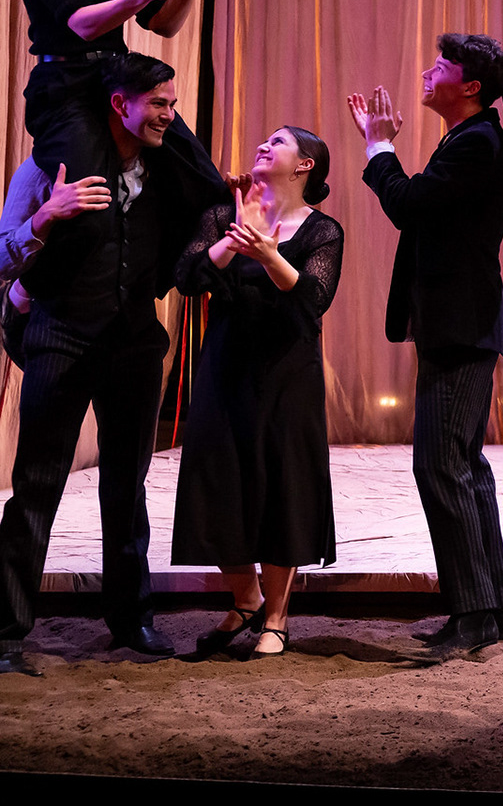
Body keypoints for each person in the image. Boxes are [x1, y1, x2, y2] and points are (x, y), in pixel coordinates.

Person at [0, 54, 212, 674]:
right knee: (36, 487)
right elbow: (4, 255)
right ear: (120, 104)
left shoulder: (167, 171)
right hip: (61, 336)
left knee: (126, 485)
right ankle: (7, 631)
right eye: (159, 104)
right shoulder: (46, 169)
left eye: (173, 104)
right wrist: (46, 215)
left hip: (134, 344)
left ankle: (131, 620)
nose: (170, 116)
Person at [349, 33, 503, 658]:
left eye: (442, 66)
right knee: (462, 466)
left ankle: (476, 613)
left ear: (471, 87)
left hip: (461, 324)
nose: (429, 72)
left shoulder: (477, 141)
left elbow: (408, 205)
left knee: (441, 466)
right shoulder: (469, 138)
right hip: (460, 322)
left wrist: (378, 147)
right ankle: (490, 609)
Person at [14, 0, 230, 290]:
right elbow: (82, 24)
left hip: (119, 78)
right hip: (65, 86)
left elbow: (163, 24)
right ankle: (28, 289)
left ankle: (154, 285)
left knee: (207, 189)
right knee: (93, 203)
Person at [171, 126, 344, 659]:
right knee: (219, 482)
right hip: (226, 368)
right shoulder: (222, 216)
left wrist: (269, 254)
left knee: (281, 488)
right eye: (264, 141)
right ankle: (246, 600)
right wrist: (233, 237)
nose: (264, 146)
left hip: (287, 375)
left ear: (305, 165)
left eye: (279, 142)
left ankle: (276, 617)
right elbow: (187, 278)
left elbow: (313, 298)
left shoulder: (322, 230)